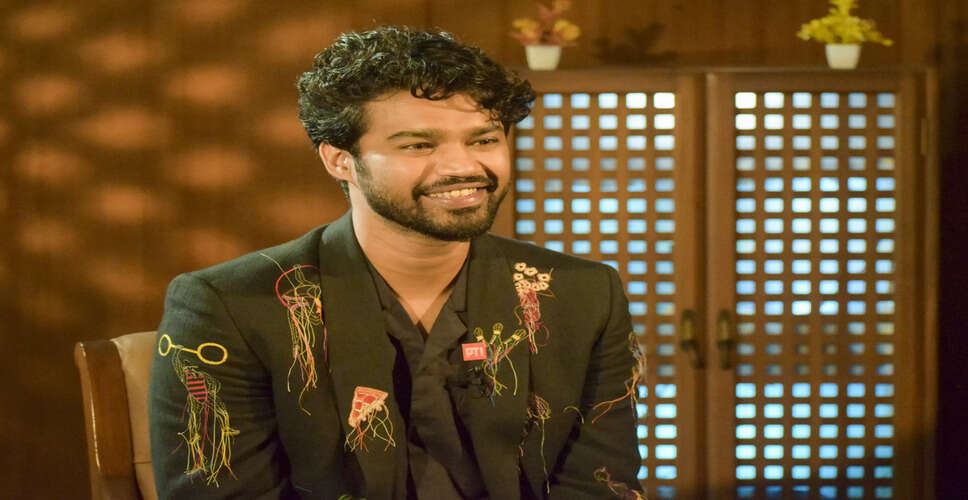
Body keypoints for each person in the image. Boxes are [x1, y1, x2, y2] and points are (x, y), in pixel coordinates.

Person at [149, 26, 643, 500]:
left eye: (484, 140)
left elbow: (602, 484)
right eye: (418, 145)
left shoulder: (582, 294)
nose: (463, 166)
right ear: (340, 160)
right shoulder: (235, 305)